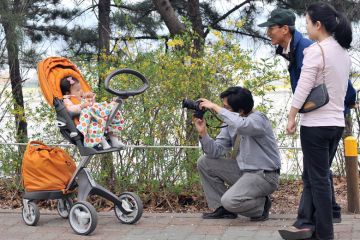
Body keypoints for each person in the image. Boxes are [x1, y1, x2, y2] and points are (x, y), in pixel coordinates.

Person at [258, 7, 355, 226]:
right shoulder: (294, 49)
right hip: (329, 117)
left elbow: (315, 86)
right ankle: (328, 213)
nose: (268, 33)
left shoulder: (308, 48)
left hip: (324, 118)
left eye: (271, 28)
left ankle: (309, 222)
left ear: (284, 29)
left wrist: (346, 103)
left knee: (313, 175)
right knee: (317, 172)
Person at [194, 86, 281, 221]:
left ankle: (261, 206)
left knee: (230, 201)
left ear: (240, 110)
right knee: (204, 162)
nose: (222, 110)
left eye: (226, 107)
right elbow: (215, 152)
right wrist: (203, 133)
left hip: (265, 175)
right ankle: (223, 209)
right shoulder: (231, 124)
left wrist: (215, 107)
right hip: (243, 171)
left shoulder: (259, 119)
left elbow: (243, 126)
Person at [60, 76, 125, 149]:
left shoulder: (81, 97)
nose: (81, 91)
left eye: (81, 88)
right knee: (94, 126)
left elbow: (91, 104)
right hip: (86, 120)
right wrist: (82, 105)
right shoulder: (67, 100)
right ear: (68, 93)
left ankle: (114, 140)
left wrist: (90, 98)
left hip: (95, 116)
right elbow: (71, 109)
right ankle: (103, 142)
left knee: (113, 115)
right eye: (78, 90)